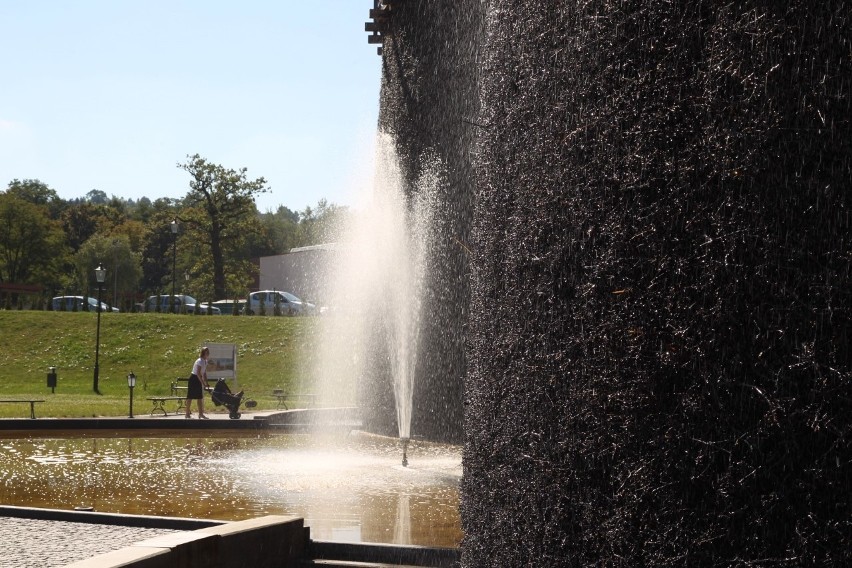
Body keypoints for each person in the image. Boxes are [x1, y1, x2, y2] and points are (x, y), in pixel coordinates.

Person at [185, 346, 210, 419]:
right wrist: (203, 383)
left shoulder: (205, 361)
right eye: (206, 352)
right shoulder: (199, 361)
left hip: (198, 379)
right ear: (203, 353)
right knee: (190, 397)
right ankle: (187, 414)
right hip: (194, 379)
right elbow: (198, 373)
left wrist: (206, 382)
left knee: (200, 397)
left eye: (208, 352)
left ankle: (201, 414)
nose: (208, 353)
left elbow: (204, 373)